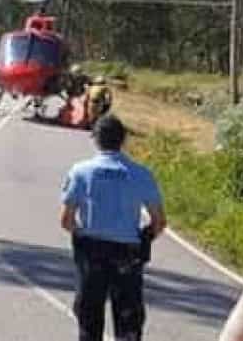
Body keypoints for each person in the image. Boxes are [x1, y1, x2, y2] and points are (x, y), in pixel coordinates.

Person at [60, 114, 167, 341]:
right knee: (129, 321)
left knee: (89, 319)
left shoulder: (81, 172)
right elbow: (159, 221)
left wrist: (81, 234)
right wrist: (144, 237)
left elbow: (66, 220)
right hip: (127, 253)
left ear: (96, 139)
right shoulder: (141, 174)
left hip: (92, 252)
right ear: (123, 140)